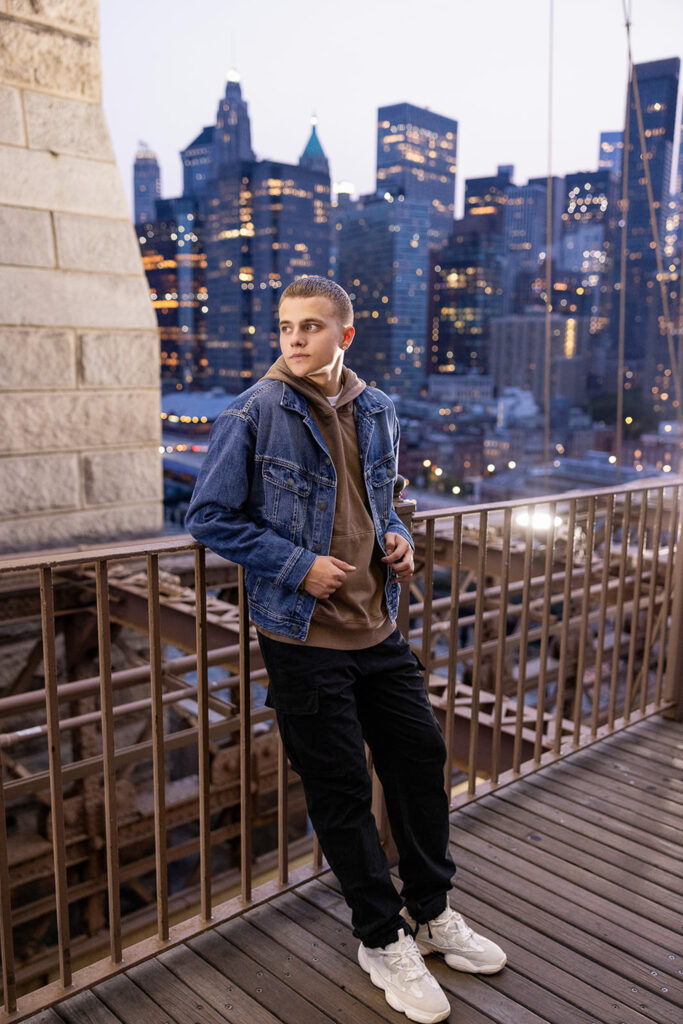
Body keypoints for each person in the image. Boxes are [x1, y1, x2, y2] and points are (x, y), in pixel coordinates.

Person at [185, 276, 506, 1023]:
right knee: (338, 791)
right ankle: (379, 935)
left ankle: (430, 913)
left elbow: (380, 499)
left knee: (420, 760)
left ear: (344, 336)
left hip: (378, 627)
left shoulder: (376, 408)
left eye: (311, 327)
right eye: (286, 327)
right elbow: (209, 516)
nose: (294, 339)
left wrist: (397, 536)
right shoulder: (255, 411)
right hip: (302, 637)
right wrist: (298, 566)